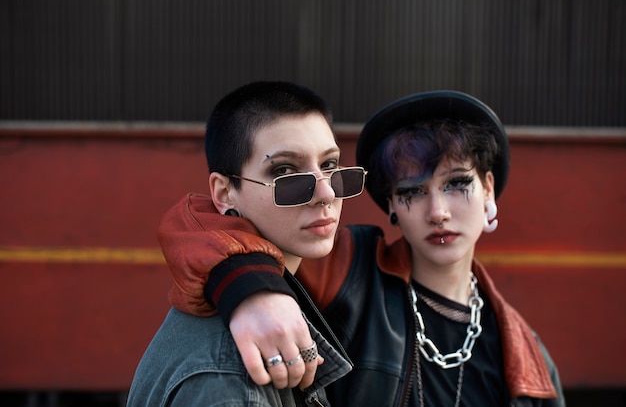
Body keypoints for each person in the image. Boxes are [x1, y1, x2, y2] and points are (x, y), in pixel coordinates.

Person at [156, 90, 566, 406]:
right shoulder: (349, 267)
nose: (438, 212)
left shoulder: (527, 358)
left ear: (488, 189)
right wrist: (252, 288)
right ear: (390, 203)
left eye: (457, 184)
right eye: (412, 191)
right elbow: (200, 223)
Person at [127, 81, 372, 406]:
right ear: (225, 193)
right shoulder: (236, 377)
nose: (326, 193)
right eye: (285, 171)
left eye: (329, 165)